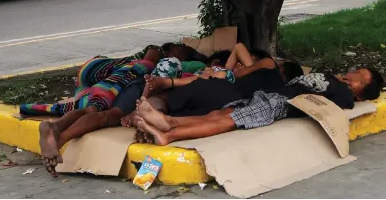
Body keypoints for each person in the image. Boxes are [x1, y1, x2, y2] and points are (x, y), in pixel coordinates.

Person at [36, 43, 192, 176]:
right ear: (173, 48)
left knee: (92, 108)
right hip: (130, 78)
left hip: (104, 79)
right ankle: (60, 139)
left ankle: (55, 127)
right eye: (180, 49)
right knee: (107, 115)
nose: (181, 52)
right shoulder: (161, 56)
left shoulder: (157, 61)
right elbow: (150, 71)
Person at [134, 67, 383, 145]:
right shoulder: (333, 78)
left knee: (229, 120)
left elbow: (332, 106)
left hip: (281, 104)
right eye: (355, 72)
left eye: (359, 79)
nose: (351, 76)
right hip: (271, 94)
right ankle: (168, 123)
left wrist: (347, 89)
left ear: (361, 93)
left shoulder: (345, 96)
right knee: (219, 112)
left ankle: (170, 132)